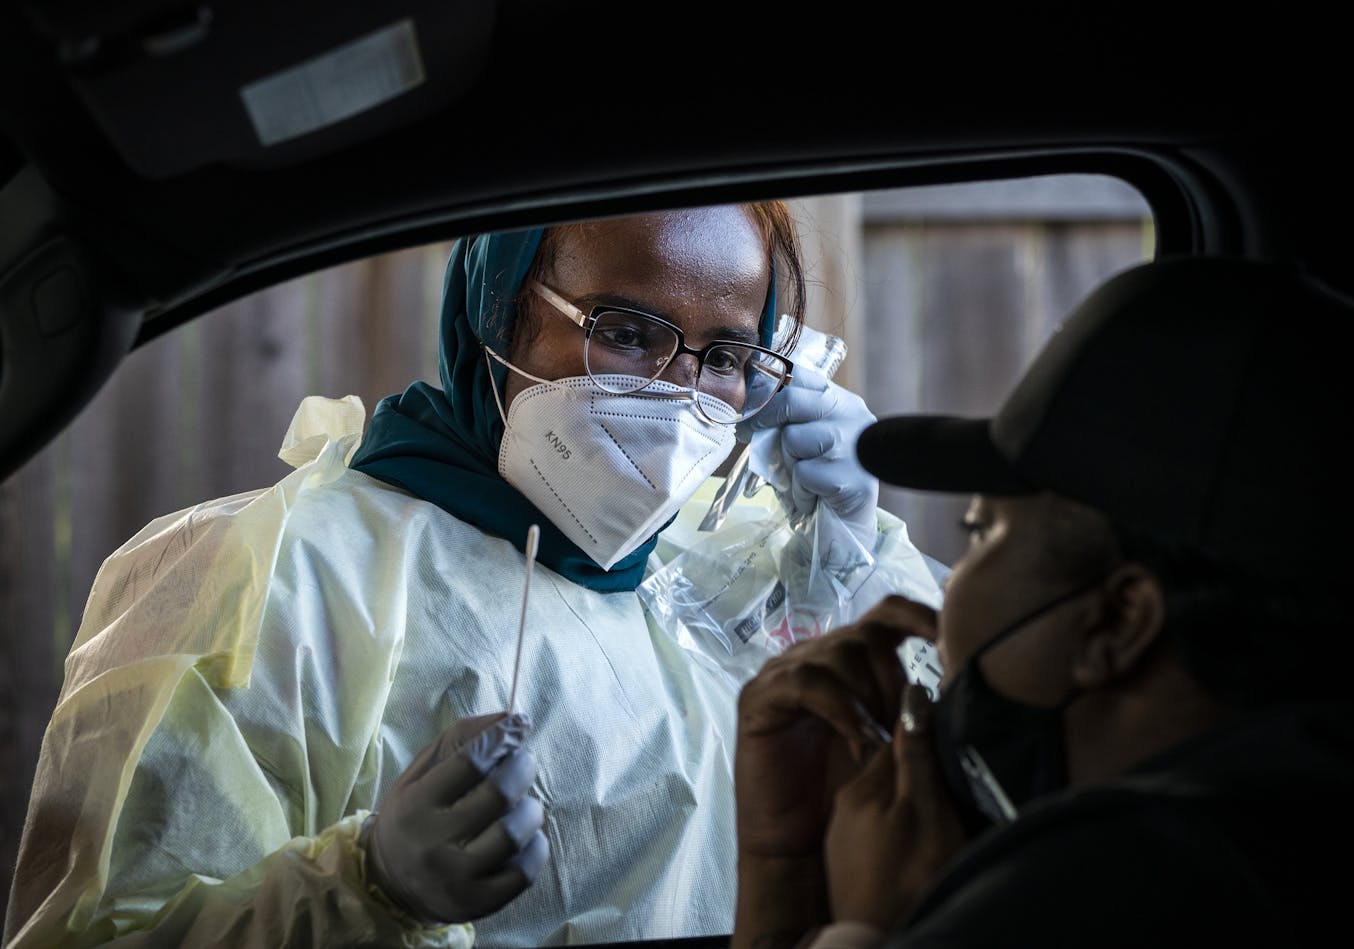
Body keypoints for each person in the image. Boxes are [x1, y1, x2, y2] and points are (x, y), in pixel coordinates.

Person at [4, 202, 936, 948]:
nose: (680, 393)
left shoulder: (723, 566)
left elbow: (952, 750)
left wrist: (849, 547)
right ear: (501, 307)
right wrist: (364, 889)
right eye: (628, 330)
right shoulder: (283, 574)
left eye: (727, 356)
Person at [729, 255, 1354, 949]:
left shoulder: (1099, 889)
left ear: (1117, 620)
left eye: (983, 533)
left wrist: (868, 926)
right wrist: (784, 860)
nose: (949, 593)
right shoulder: (1321, 828)